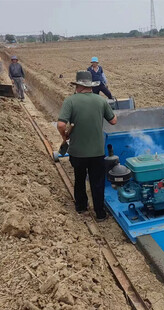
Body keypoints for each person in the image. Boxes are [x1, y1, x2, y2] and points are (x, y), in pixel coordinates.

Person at [57, 71, 117, 221]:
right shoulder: (100, 100)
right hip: (97, 151)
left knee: (79, 178)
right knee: (97, 182)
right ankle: (100, 213)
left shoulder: (70, 101)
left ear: (78, 86)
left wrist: (65, 136)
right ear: (91, 86)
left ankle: (81, 207)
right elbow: (114, 121)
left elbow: (61, 124)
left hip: (77, 152)